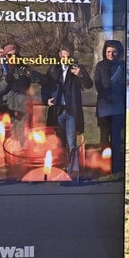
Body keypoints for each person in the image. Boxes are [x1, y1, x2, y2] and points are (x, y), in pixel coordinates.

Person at [42, 44, 93, 175]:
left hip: (72, 111)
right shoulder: (53, 69)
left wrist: (80, 74)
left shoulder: (77, 68)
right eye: (63, 56)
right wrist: (46, 100)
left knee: (71, 142)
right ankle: (60, 168)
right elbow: (45, 86)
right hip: (57, 110)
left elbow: (89, 84)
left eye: (68, 56)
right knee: (59, 142)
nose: (65, 58)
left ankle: (73, 170)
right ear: (59, 55)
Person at [0, 41, 38, 148]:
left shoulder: (24, 69)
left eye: (15, 54)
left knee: (24, 146)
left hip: (23, 113)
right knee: (8, 145)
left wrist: (29, 74)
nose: (13, 57)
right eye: (10, 55)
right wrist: (5, 81)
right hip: (6, 112)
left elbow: (37, 81)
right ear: (5, 56)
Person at [93, 39, 126, 173]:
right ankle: (105, 164)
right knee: (104, 137)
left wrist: (116, 95)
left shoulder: (122, 66)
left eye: (114, 52)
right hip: (104, 106)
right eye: (108, 52)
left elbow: (123, 84)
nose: (111, 54)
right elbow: (97, 83)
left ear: (119, 53)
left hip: (117, 107)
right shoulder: (100, 66)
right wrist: (106, 95)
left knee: (116, 138)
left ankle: (116, 165)